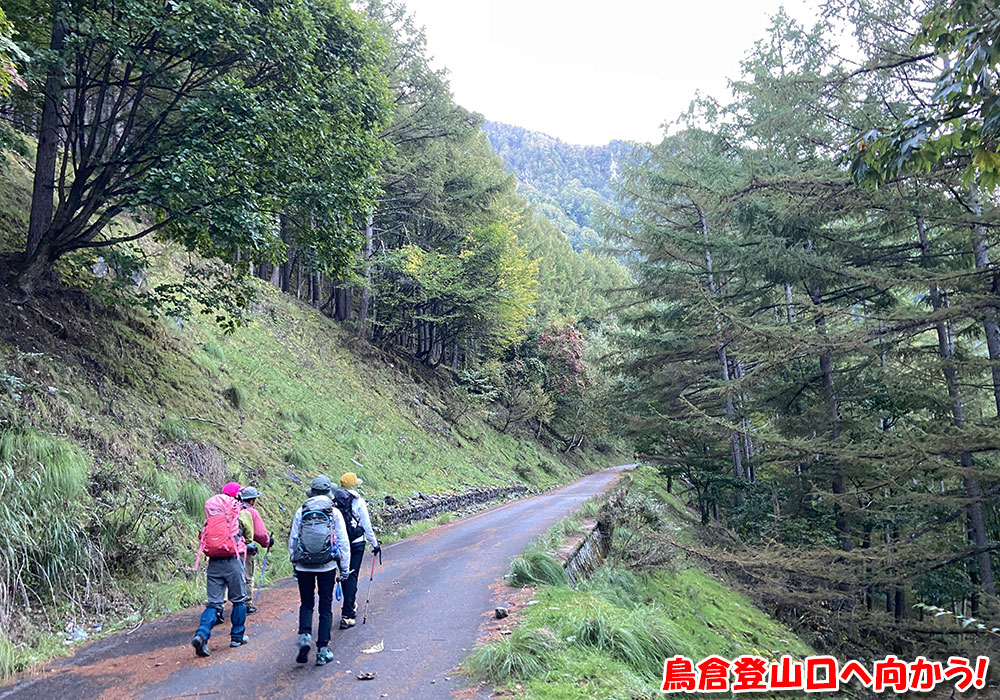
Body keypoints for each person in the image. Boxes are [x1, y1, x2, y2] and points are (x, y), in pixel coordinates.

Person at [288, 474, 350, 666]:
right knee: (325, 605)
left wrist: (295, 563)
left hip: (304, 565)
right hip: (327, 565)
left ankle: (305, 635)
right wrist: (345, 569)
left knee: (306, 603)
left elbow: (294, 539)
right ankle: (323, 650)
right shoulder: (334, 512)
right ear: (328, 492)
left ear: (312, 492)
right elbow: (342, 542)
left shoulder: (302, 510)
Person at [191, 481, 251, 657]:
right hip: (233, 560)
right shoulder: (239, 513)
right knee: (239, 600)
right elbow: (248, 536)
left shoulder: (212, 515)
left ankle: (201, 635)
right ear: (236, 496)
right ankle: (237, 637)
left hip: (214, 562)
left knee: (215, 604)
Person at [333, 472, 380, 629]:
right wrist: (375, 544)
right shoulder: (359, 501)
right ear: (354, 485)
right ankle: (348, 615)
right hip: (357, 543)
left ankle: (350, 605)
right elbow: (366, 524)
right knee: (352, 576)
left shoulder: (336, 502)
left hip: (341, 544)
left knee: (345, 574)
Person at [238, 486, 274, 614]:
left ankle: (232, 602)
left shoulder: (234, 509)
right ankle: (246, 604)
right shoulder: (251, 512)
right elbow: (260, 534)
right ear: (252, 500)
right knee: (247, 576)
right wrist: (268, 542)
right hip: (246, 549)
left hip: (230, 549)